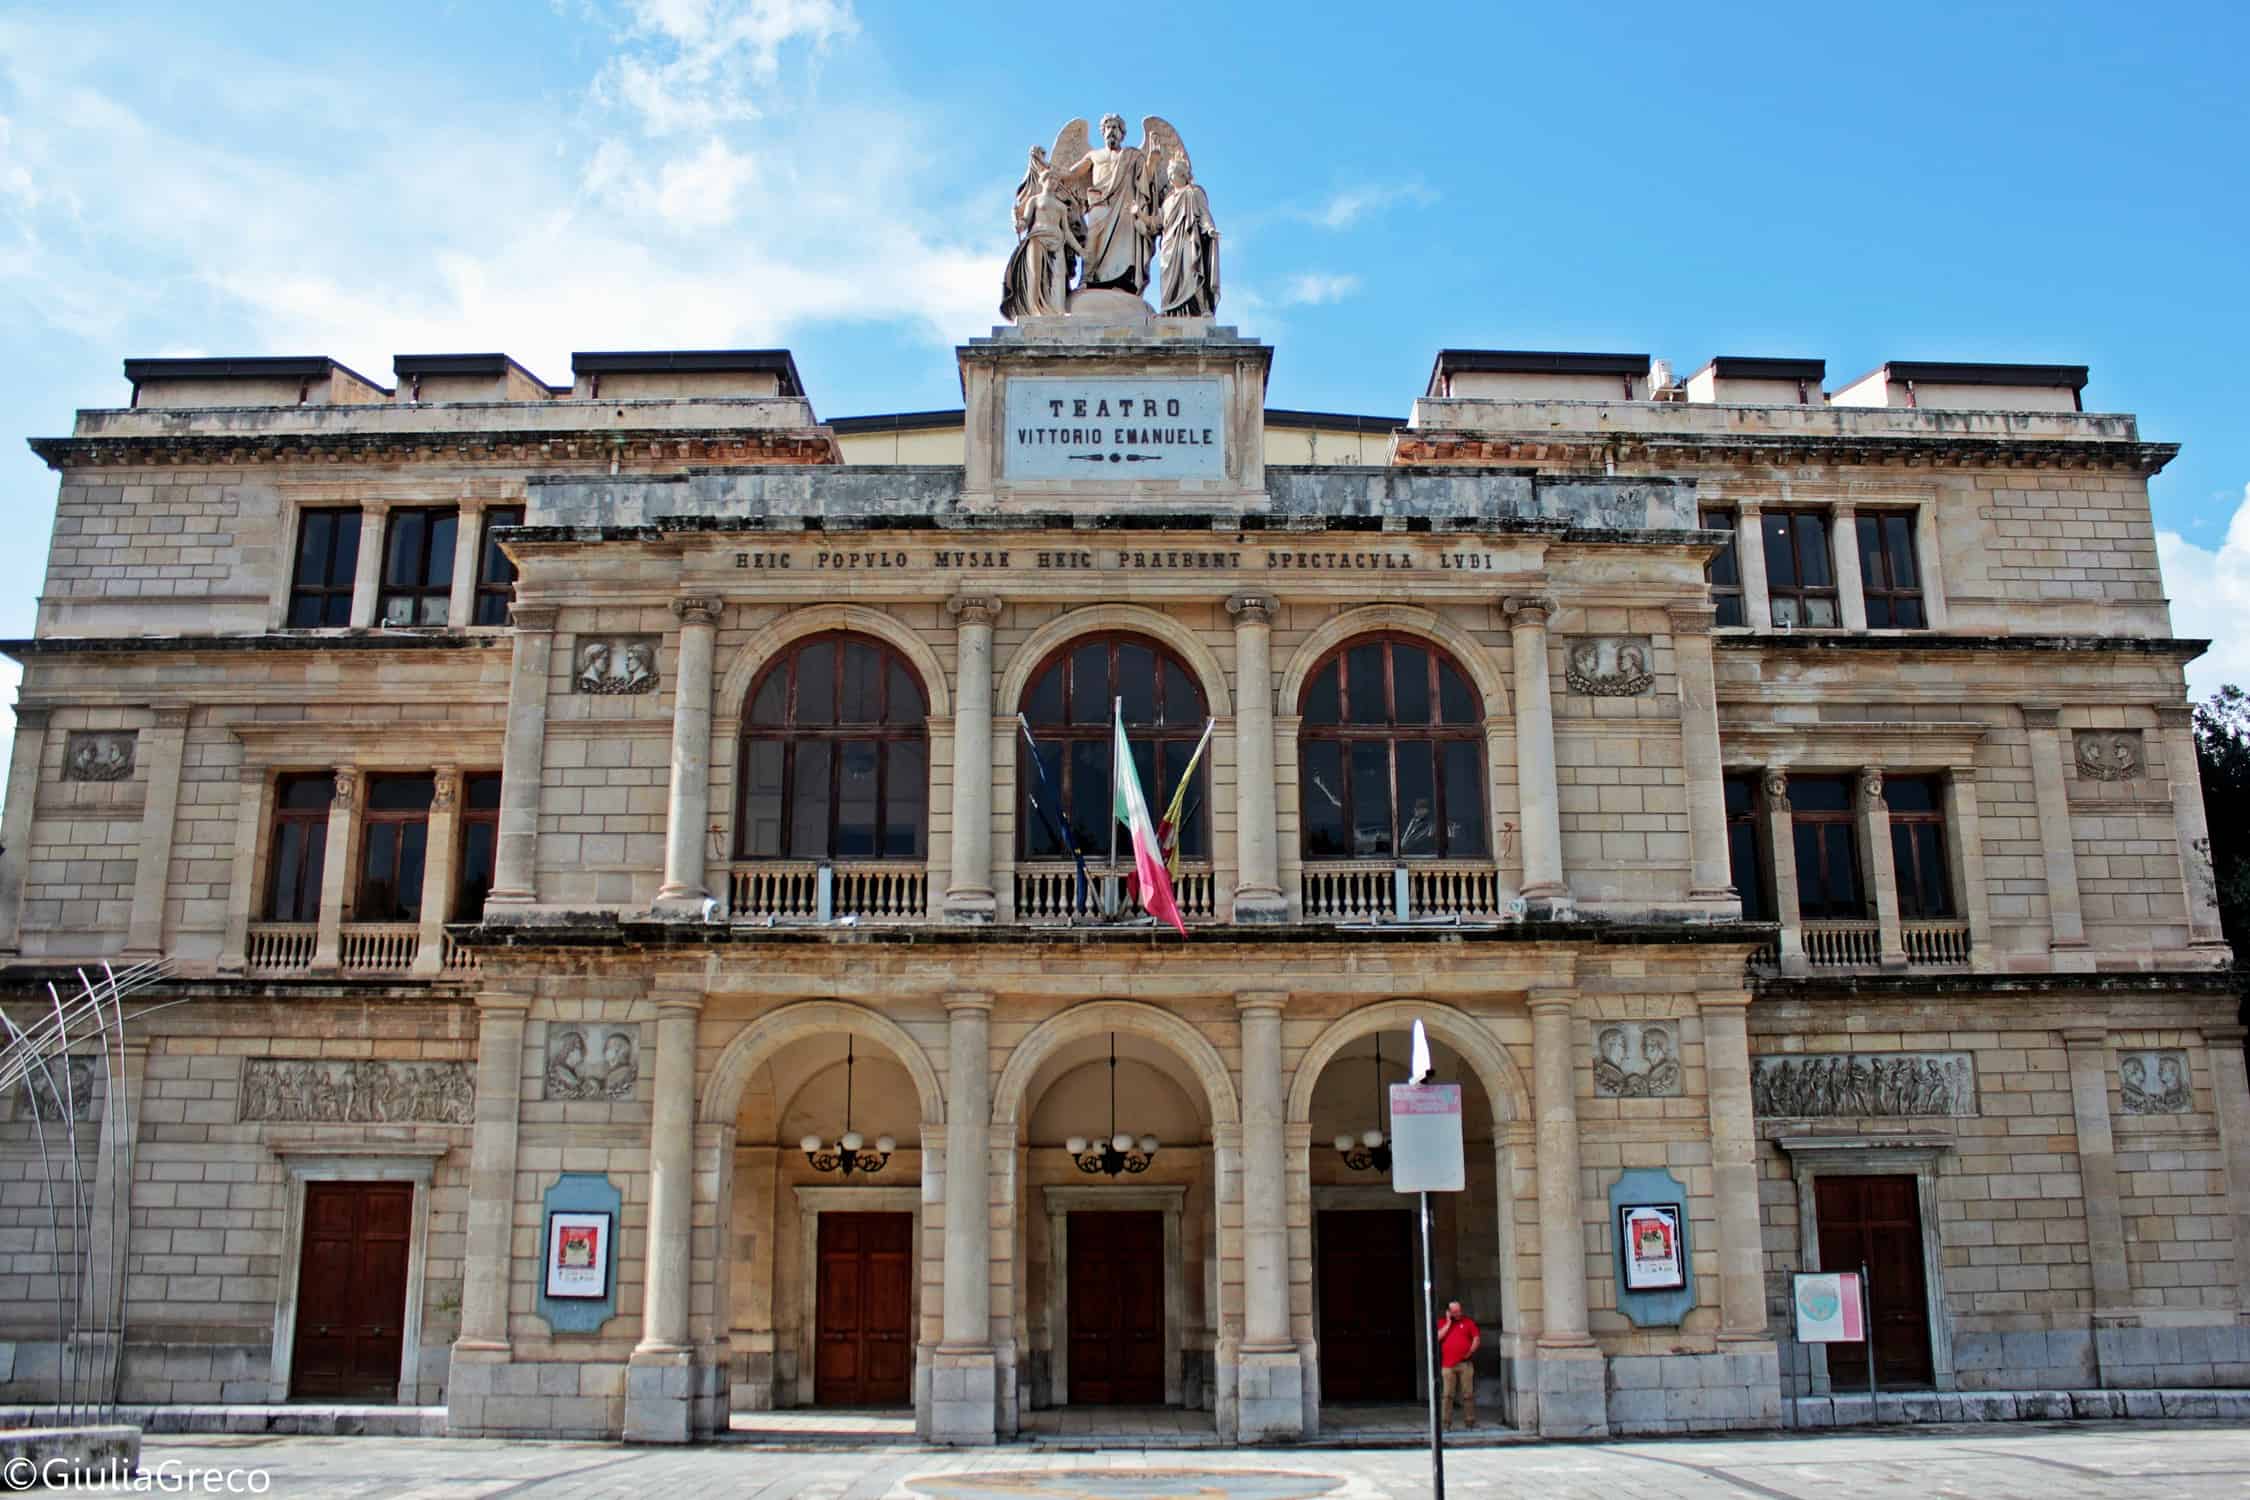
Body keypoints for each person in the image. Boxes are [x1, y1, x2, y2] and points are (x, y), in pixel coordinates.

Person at [1436, 1299, 1480, 1428]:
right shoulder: (1442, 1323)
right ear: (1448, 1312)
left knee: (1468, 1394)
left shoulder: (1468, 1322)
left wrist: (1470, 1351)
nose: (1458, 1313)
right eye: (1455, 1311)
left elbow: (1476, 1338)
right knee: (1447, 1395)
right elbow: (1437, 1337)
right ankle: (1445, 1422)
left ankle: (1470, 1421)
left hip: (1465, 1364)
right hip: (1448, 1365)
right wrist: (1449, 1323)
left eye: (1459, 1310)